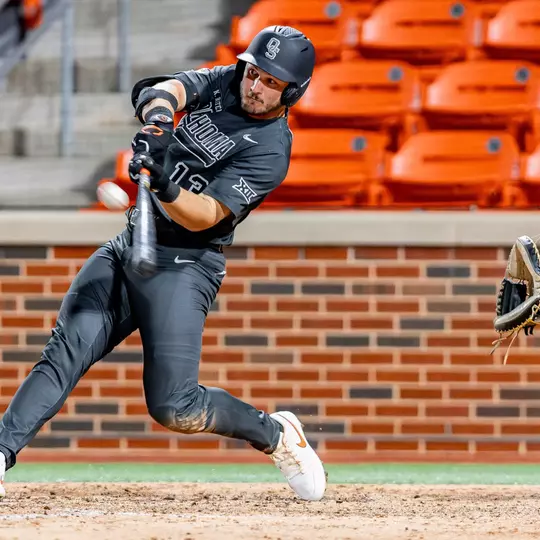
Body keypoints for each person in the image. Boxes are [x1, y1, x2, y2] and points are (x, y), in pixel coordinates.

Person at [0, 25, 326, 501]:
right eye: (254, 73)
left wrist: (165, 180)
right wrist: (157, 127)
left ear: (291, 92)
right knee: (65, 350)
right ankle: (3, 451)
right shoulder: (224, 82)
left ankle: (276, 434)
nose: (255, 87)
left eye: (271, 82)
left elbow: (204, 217)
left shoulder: (272, 150)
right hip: (131, 244)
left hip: (186, 265)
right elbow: (167, 89)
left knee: (175, 406)